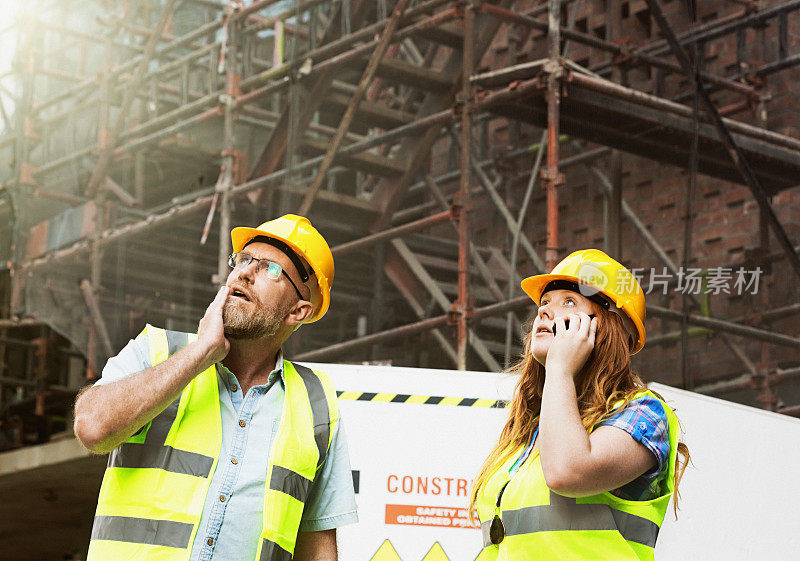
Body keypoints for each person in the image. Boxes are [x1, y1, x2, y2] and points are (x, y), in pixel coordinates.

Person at [74, 214, 357, 561]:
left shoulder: (316, 402)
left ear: (298, 311)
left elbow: (316, 546)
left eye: (270, 269)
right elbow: (91, 428)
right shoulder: (158, 350)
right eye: (243, 260)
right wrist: (200, 353)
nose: (245, 272)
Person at [470, 249, 689, 561]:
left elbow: (567, 473)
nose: (544, 313)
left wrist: (559, 367)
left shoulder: (644, 415)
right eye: (544, 304)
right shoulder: (533, 430)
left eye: (568, 302)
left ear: (608, 326)